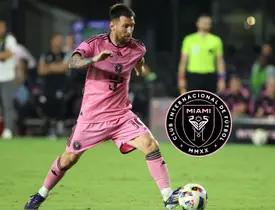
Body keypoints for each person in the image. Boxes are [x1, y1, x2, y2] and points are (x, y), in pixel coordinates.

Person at [24, 4, 180, 210]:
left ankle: (168, 197)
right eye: (125, 26)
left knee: (151, 145)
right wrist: (93, 60)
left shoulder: (138, 47)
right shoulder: (95, 44)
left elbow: (138, 58)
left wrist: (140, 67)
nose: (129, 31)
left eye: (132, 26)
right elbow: (72, 62)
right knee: (68, 159)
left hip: (121, 115)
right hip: (92, 117)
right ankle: (40, 195)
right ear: (112, 25)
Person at [178, 15, 226, 94]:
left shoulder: (216, 40)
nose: (205, 24)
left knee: (208, 102)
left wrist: (222, 79)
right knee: (194, 103)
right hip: (193, 76)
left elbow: (220, 61)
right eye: (203, 22)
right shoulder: (189, 40)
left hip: (210, 76)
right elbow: (183, 60)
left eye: (208, 23)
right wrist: (181, 79)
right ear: (197, 24)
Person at [37, 34, 68, 138]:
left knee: (59, 106)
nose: (59, 42)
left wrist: (49, 67)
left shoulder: (66, 55)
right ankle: (49, 129)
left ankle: (59, 128)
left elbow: (64, 68)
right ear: (52, 41)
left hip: (60, 86)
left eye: (60, 40)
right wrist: (56, 67)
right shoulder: (45, 55)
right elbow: (41, 70)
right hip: (47, 87)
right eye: (57, 40)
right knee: (46, 106)